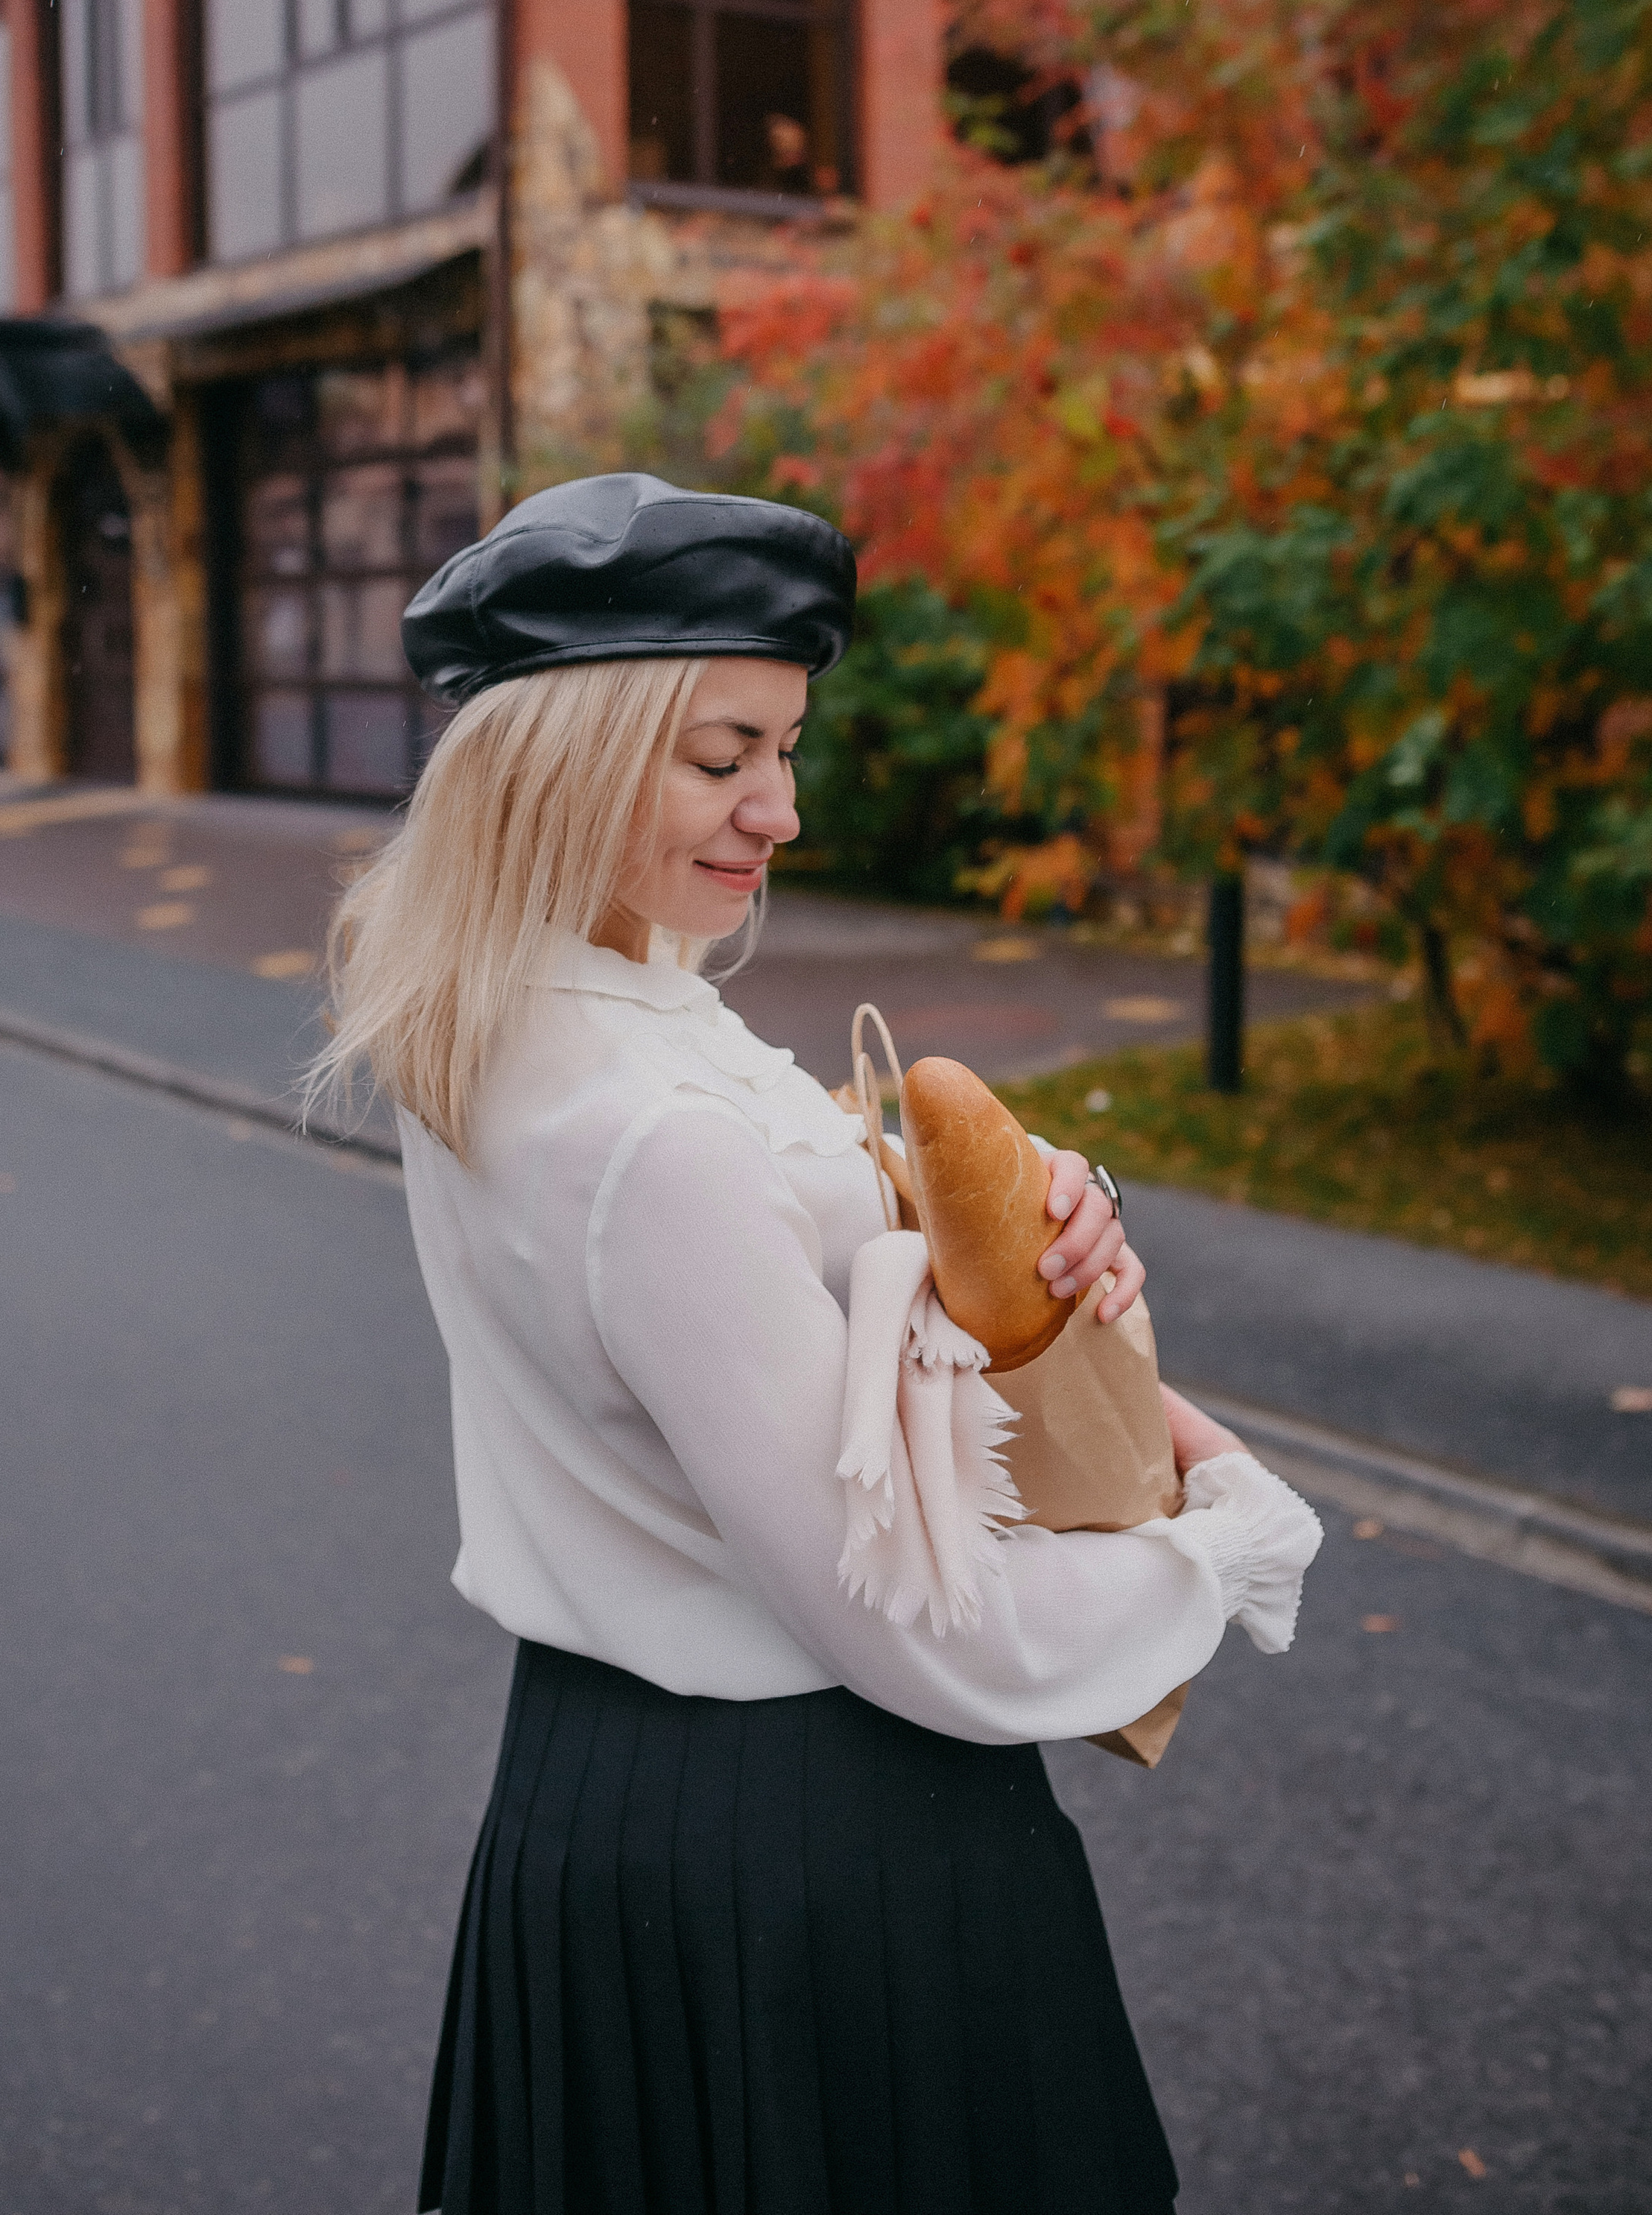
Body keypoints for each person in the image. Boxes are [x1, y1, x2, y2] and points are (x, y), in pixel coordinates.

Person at [317, 472, 1323, 2215]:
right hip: (812, 1841)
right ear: (558, 754)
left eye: (783, 750)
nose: (775, 809)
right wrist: (1218, 1544)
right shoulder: (652, 1127)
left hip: (598, 1799)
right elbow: (922, 1626)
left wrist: (1001, 1225)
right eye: (719, 757)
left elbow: (765, 1314)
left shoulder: (504, 1024)